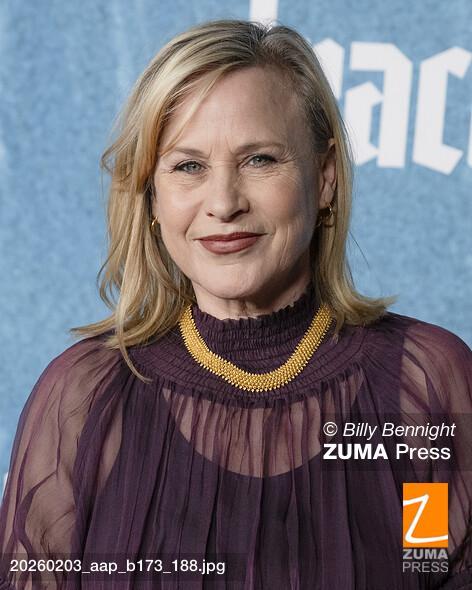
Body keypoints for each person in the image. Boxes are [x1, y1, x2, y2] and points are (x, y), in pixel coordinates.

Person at [1, 18, 471, 590]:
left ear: (325, 177)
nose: (223, 203)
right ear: (151, 196)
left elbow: (432, 567)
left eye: (260, 159)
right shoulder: (88, 398)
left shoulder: (419, 389)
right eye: (188, 166)